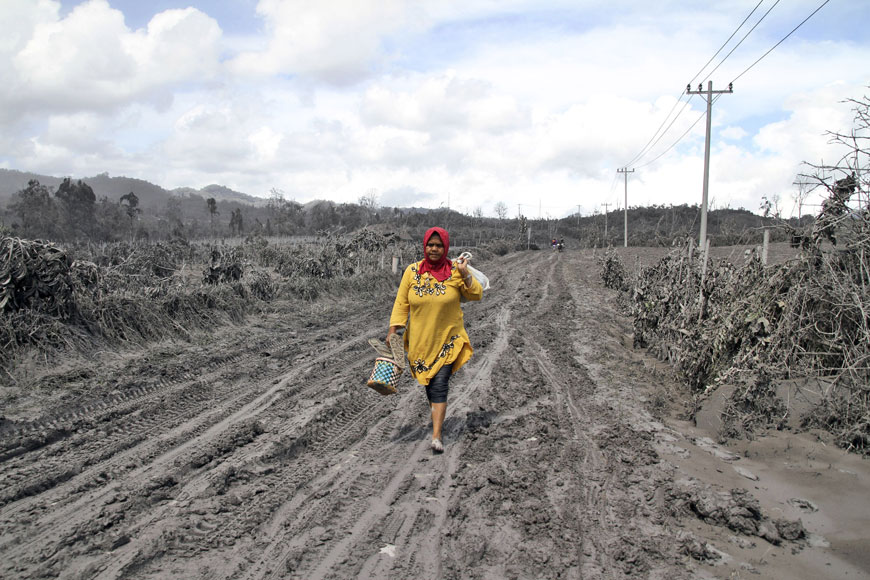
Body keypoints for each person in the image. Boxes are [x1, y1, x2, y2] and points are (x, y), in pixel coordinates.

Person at [386, 227, 483, 453]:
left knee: (440, 384)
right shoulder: (412, 272)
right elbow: (401, 303)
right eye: (430, 245)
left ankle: (437, 436)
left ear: (445, 247)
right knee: (429, 385)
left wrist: (465, 273)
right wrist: (393, 330)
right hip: (420, 341)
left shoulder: (455, 271)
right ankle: (437, 416)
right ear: (425, 246)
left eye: (439, 245)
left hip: (448, 339)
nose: (434, 249)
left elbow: (476, 294)